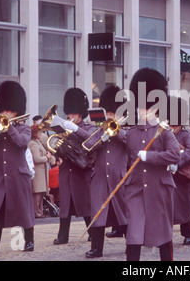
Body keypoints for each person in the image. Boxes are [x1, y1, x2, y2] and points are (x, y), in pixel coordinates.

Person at [124, 68, 180, 261]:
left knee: (162, 231)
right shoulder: (130, 133)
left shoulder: (164, 131)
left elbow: (174, 155)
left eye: (146, 108)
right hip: (136, 188)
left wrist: (150, 156)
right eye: (140, 107)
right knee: (134, 232)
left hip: (159, 188)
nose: (143, 111)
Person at [0, 81, 35, 254]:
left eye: (7, 111)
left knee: (23, 209)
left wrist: (8, 128)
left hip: (18, 175)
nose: (4, 113)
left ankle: (29, 241)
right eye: (2, 110)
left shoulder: (24, 128)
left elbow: (21, 143)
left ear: (16, 111)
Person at [84, 85, 128, 259]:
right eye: (108, 113)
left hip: (119, 176)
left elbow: (131, 144)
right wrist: (101, 138)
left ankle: (130, 244)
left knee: (123, 213)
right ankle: (97, 248)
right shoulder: (97, 128)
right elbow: (87, 146)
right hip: (100, 178)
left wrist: (116, 131)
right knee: (98, 213)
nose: (110, 116)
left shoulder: (126, 129)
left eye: (112, 113)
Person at [52, 88, 95, 245]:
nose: (70, 116)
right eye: (69, 113)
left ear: (81, 113)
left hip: (81, 171)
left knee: (85, 202)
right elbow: (57, 149)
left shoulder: (89, 127)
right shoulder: (64, 127)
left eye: (73, 114)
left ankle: (92, 232)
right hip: (66, 170)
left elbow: (89, 140)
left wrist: (74, 130)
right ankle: (63, 235)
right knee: (65, 204)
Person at [168, 96, 190, 246]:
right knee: (166, 206)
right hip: (168, 175)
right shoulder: (165, 132)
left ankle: (188, 234)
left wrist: (178, 163)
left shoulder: (185, 133)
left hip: (182, 176)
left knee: (185, 206)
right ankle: (165, 235)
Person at [29, 124, 53, 218]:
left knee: (41, 192)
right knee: (37, 193)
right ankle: (36, 212)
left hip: (41, 171)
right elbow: (36, 158)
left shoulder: (37, 142)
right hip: (37, 171)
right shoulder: (32, 143)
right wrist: (46, 157)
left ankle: (40, 211)